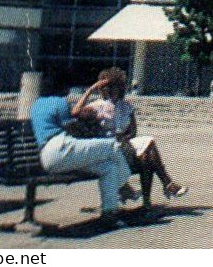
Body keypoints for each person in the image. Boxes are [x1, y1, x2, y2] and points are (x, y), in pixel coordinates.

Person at [29, 74, 134, 227]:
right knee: (112, 145)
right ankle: (123, 184)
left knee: (109, 168)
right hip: (61, 147)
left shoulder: (37, 104)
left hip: (47, 156)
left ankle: (109, 213)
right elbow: (73, 126)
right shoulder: (60, 102)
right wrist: (90, 91)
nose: (69, 90)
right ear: (61, 88)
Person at [83, 67, 189, 203]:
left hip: (125, 145)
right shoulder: (96, 106)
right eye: (108, 86)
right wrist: (90, 90)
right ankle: (166, 185)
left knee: (146, 157)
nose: (112, 89)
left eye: (116, 86)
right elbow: (76, 112)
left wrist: (125, 138)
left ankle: (150, 201)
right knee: (148, 149)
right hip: (108, 148)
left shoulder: (126, 106)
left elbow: (133, 131)